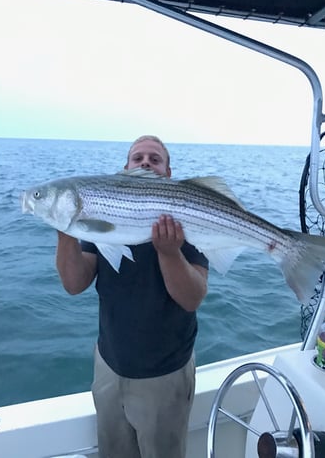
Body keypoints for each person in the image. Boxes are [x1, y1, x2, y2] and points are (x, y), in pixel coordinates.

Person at [56, 135, 208, 458]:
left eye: (155, 159)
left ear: (168, 173)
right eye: (137, 158)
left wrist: (169, 253)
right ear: (125, 169)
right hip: (109, 368)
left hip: (165, 376)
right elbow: (74, 283)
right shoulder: (103, 210)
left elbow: (193, 297)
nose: (145, 163)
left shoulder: (186, 213)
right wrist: (65, 232)